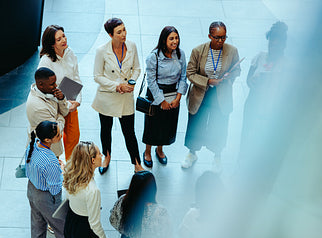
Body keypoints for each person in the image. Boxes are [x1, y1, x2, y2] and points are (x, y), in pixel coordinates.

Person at [182, 21, 241, 172]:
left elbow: (237, 70)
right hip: (202, 92)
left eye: (223, 37)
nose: (221, 41)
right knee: (196, 123)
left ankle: (217, 156)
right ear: (209, 36)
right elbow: (190, 73)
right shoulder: (198, 50)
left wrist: (229, 76)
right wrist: (208, 81)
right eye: (217, 37)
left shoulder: (232, 51)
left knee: (219, 124)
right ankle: (192, 153)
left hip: (220, 94)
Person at [92, 17, 144, 174]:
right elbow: (97, 76)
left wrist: (131, 84)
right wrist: (117, 86)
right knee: (106, 129)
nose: (124, 34)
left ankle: (137, 163)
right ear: (110, 34)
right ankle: (106, 157)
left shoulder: (132, 46)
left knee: (129, 132)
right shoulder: (102, 51)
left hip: (126, 96)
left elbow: (137, 68)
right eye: (119, 32)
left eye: (124, 30)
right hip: (107, 96)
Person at [239, 21, 288, 161]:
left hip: (271, 108)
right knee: (246, 137)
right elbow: (248, 80)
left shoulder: (285, 65)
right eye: (271, 43)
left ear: (283, 46)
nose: (272, 47)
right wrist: (253, 82)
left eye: (276, 45)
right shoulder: (259, 57)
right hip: (253, 104)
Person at [142, 26, 188, 167]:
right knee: (152, 125)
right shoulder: (154, 57)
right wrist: (161, 101)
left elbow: (183, 76)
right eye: (171, 38)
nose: (175, 41)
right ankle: (147, 151)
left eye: (176, 38)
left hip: (173, 94)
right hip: (157, 94)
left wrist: (178, 98)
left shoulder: (180, 54)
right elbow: (151, 81)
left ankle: (160, 150)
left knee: (166, 125)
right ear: (164, 40)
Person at [25, 120, 67, 238]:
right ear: (48, 140)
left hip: (32, 190)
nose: (61, 135)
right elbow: (55, 189)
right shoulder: (50, 161)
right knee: (62, 232)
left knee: (37, 226)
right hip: (47, 199)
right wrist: (61, 169)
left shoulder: (33, 144)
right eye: (58, 134)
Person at [38, 25, 82, 160]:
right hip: (55, 108)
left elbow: (76, 78)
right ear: (52, 44)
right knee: (55, 142)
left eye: (63, 36)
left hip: (71, 104)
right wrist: (64, 104)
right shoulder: (46, 61)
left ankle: (70, 170)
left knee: (74, 139)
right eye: (59, 39)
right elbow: (43, 91)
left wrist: (77, 102)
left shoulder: (70, 53)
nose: (64, 40)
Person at [26, 67, 70, 158]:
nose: (55, 86)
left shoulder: (49, 92)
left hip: (52, 147)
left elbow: (65, 111)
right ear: (41, 84)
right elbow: (56, 130)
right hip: (45, 151)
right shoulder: (37, 107)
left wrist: (61, 99)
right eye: (52, 84)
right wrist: (60, 116)